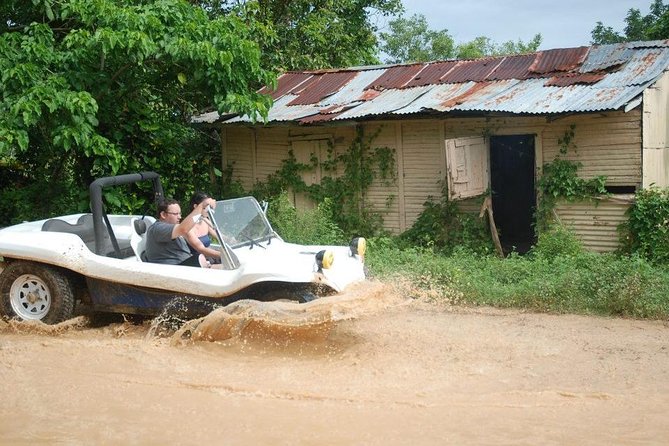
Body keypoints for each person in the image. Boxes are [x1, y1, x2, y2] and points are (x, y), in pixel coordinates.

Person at [144, 197, 215, 266]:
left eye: (180, 213)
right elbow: (183, 229)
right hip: (172, 271)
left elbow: (200, 247)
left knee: (222, 265)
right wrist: (201, 206)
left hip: (184, 266)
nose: (180, 217)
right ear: (163, 215)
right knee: (201, 259)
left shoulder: (175, 229)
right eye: (175, 214)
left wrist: (221, 255)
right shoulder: (157, 228)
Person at [185, 191, 222, 263]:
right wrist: (223, 255)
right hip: (197, 261)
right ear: (196, 207)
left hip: (209, 257)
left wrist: (233, 240)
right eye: (206, 207)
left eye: (210, 208)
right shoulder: (188, 226)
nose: (209, 211)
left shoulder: (205, 221)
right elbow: (201, 249)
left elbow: (219, 236)